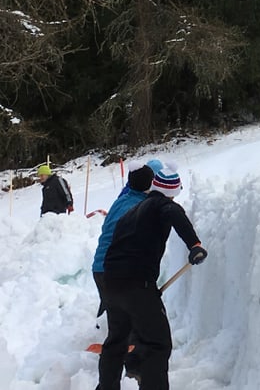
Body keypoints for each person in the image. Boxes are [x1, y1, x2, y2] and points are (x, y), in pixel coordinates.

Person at [97, 164, 207, 390]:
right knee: (157, 344)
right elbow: (174, 213)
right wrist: (194, 245)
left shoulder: (131, 211)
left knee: (116, 342)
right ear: (172, 192)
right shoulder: (162, 205)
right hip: (136, 283)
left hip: (112, 283)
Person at [92, 160, 161, 380]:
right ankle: (135, 366)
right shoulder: (140, 207)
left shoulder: (122, 199)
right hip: (117, 270)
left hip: (100, 268)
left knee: (119, 324)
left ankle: (112, 377)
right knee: (135, 322)